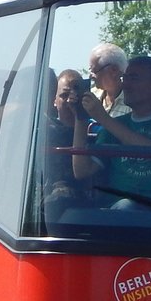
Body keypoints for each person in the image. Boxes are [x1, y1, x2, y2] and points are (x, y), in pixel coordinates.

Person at [70, 55, 151, 208]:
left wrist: (103, 118)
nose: (125, 85)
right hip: (124, 210)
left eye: (133, 78)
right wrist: (81, 117)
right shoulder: (116, 124)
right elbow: (82, 171)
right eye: (124, 78)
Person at [42, 68, 91, 221]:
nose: (70, 101)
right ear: (54, 101)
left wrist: (80, 115)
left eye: (74, 96)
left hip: (84, 199)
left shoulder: (96, 132)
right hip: (48, 199)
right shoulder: (44, 131)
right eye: (64, 95)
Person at [87, 43, 131, 118]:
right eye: (90, 70)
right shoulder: (91, 96)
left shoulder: (131, 102)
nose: (91, 76)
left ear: (114, 70)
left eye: (94, 71)